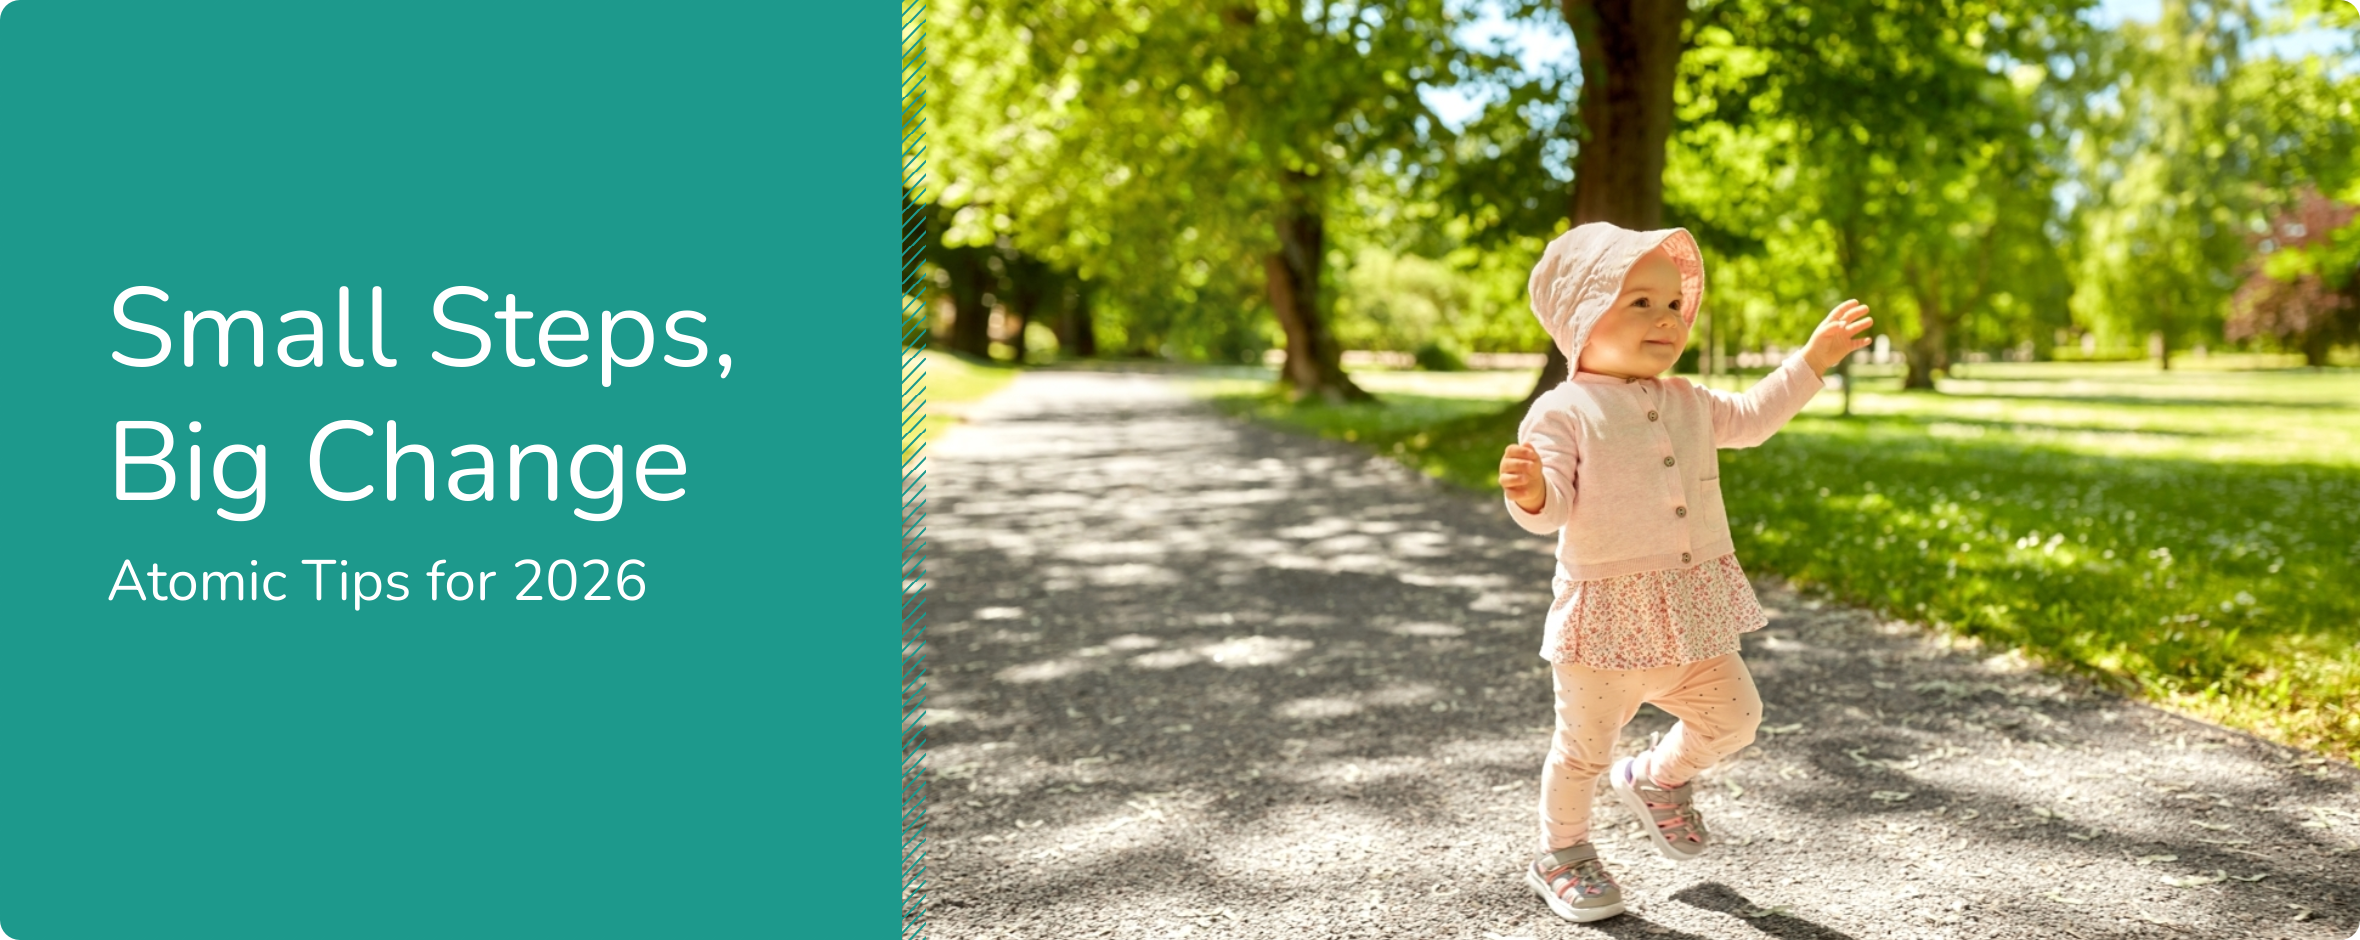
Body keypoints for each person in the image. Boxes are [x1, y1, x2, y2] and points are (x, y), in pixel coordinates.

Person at [1498, 222, 1873, 922]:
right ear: (1581, 316)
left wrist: (1812, 361)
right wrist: (1529, 493)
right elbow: (1553, 506)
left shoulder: (1691, 401)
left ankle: (1654, 778)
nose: (1666, 319)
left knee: (1736, 717)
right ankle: (1563, 853)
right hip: (1605, 619)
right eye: (1638, 302)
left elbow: (1757, 417)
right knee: (1581, 751)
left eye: (1673, 305)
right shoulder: (1564, 409)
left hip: (1690, 610)